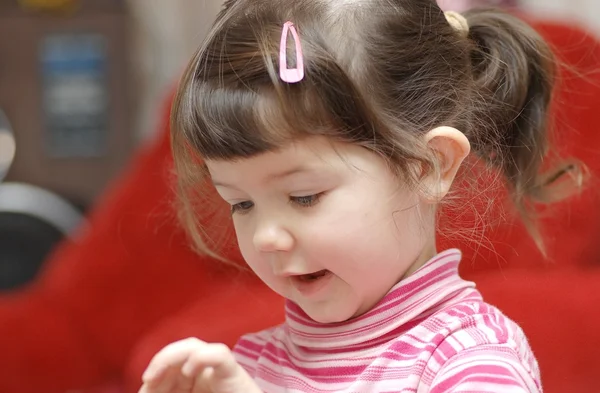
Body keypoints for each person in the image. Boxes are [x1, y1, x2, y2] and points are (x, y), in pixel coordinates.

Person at [138, 0, 585, 392]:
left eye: (304, 196)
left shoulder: (471, 359)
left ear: (430, 165)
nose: (265, 237)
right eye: (241, 203)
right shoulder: (253, 364)